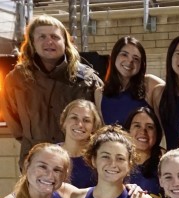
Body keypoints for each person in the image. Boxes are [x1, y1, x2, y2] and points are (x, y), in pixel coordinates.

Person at [1, 14, 103, 167]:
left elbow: (99, 122)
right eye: (42, 37)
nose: (49, 41)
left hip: (77, 163)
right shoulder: (17, 79)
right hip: (34, 162)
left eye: (55, 37)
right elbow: (14, 123)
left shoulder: (87, 80)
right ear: (32, 43)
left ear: (65, 42)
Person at [95, 36, 164, 126]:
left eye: (136, 59)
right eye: (124, 54)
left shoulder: (149, 83)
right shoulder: (99, 93)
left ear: (141, 65)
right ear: (114, 56)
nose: (130, 61)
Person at [59, 99, 103, 188]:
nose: (79, 124)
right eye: (74, 118)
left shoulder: (98, 158)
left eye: (86, 120)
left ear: (93, 127)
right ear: (64, 122)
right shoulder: (49, 153)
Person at [124, 107, 164, 198]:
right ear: (128, 131)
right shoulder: (117, 165)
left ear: (157, 134)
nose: (143, 131)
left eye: (150, 127)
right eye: (137, 126)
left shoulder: (165, 167)